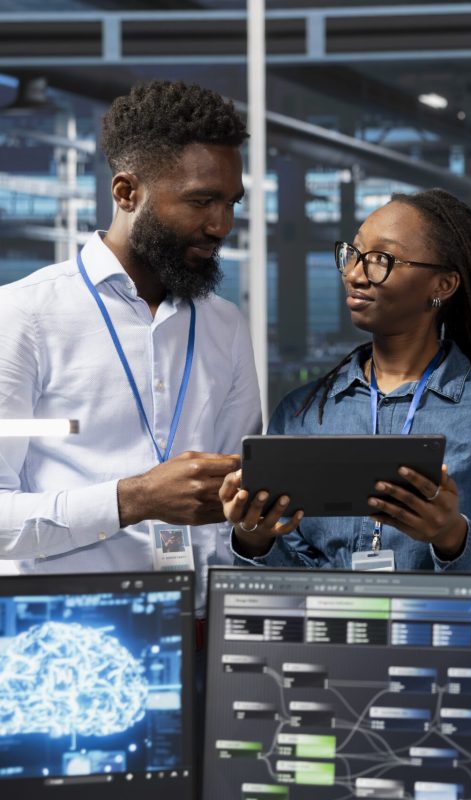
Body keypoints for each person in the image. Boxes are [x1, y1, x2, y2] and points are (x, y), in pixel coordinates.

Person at [0, 80, 261, 613]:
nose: (221, 225)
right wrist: (135, 498)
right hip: (64, 627)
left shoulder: (224, 325)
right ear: (126, 193)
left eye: (230, 202)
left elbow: (235, 500)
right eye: (200, 201)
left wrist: (253, 520)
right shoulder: (24, 316)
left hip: (200, 622)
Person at [223, 188, 471, 572]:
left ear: (443, 285)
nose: (354, 274)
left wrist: (450, 536)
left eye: (379, 260)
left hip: (434, 628)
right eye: (353, 254)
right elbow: (290, 581)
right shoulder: (302, 413)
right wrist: (255, 538)